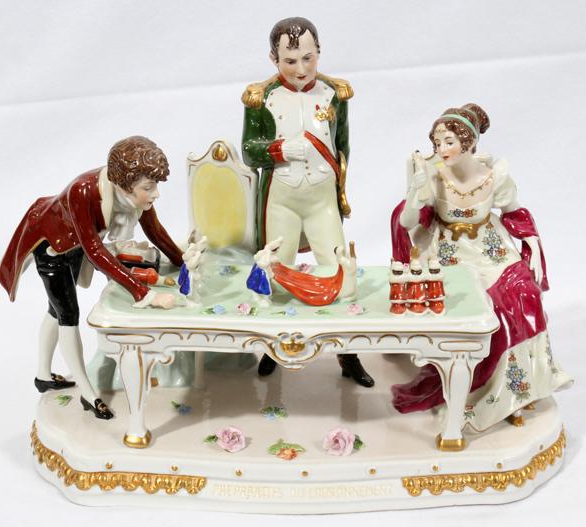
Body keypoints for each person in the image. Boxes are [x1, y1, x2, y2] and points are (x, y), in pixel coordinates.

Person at [391, 103, 571, 431]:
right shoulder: (433, 176)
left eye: (448, 142)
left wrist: (531, 242)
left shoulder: (494, 175)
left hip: (491, 250)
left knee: (524, 295)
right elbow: (406, 222)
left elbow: (513, 210)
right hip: (450, 255)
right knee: (482, 308)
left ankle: (520, 387)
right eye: (437, 143)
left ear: (469, 142)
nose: (441, 149)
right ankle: (475, 388)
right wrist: (415, 191)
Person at [0, 136, 184, 419]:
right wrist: (142, 292)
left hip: (75, 248)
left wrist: (182, 261)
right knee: (68, 316)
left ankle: (42, 376)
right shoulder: (82, 191)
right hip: (51, 248)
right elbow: (95, 251)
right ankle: (87, 393)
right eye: (149, 187)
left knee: (55, 310)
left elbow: (155, 231)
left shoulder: (135, 197)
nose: (155, 193)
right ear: (124, 184)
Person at [241, 17, 373, 387]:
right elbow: (249, 151)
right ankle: (272, 349)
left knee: (339, 272)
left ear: (319, 53)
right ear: (274, 59)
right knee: (276, 274)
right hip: (281, 199)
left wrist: (338, 189)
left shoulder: (334, 94)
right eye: (289, 61)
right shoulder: (261, 98)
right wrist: (280, 149)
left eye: (308, 58)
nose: (301, 69)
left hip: (321, 199)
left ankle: (348, 355)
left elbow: (342, 146)